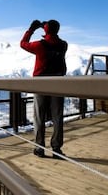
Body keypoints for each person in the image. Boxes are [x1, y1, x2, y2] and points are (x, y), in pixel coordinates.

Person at [20, 19, 68, 159]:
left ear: (45, 29)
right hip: (58, 83)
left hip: (41, 83)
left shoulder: (40, 45)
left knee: (39, 116)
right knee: (57, 117)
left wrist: (32, 29)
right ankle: (56, 148)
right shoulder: (63, 45)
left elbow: (23, 44)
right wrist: (46, 29)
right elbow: (53, 38)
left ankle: (39, 147)